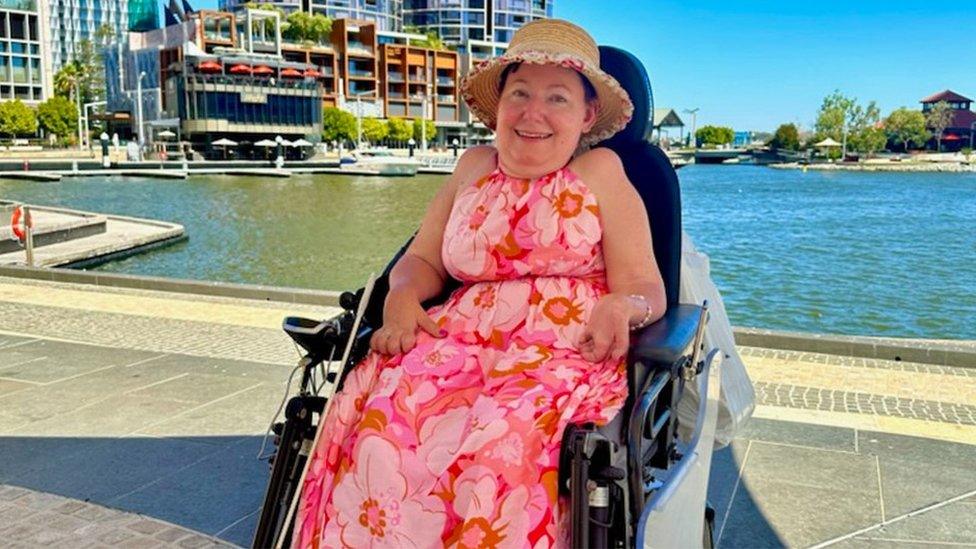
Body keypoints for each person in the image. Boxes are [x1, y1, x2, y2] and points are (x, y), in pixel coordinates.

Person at [294, 19, 667, 547]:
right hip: (459, 340)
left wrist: (622, 308)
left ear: (586, 115)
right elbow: (423, 258)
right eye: (520, 93)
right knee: (382, 425)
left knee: (501, 447)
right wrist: (401, 295)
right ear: (499, 105)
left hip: (561, 348)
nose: (533, 112)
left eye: (556, 98)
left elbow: (644, 287)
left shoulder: (603, 171)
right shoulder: (472, 166)